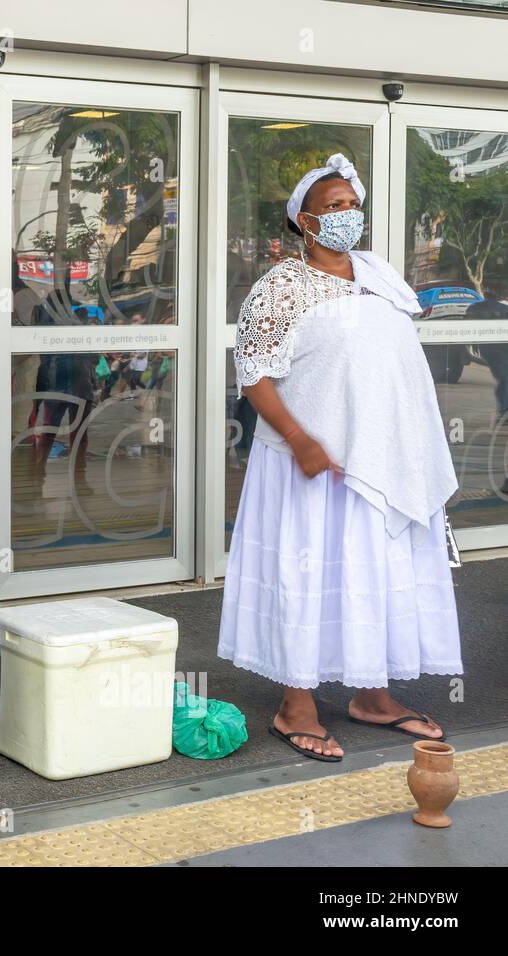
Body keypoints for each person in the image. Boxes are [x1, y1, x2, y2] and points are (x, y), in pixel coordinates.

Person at [218, 153, 461, 761]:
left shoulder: (381, 278)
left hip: (382, 458)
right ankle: (293, 705)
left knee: (371, 574)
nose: (348, 214)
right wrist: (301, 438)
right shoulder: (281, 285)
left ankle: (371, 696)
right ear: (305, 220)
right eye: (334, 207)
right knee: (310, 576)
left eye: (353, 205)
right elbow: (254, 376)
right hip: (312, 461)